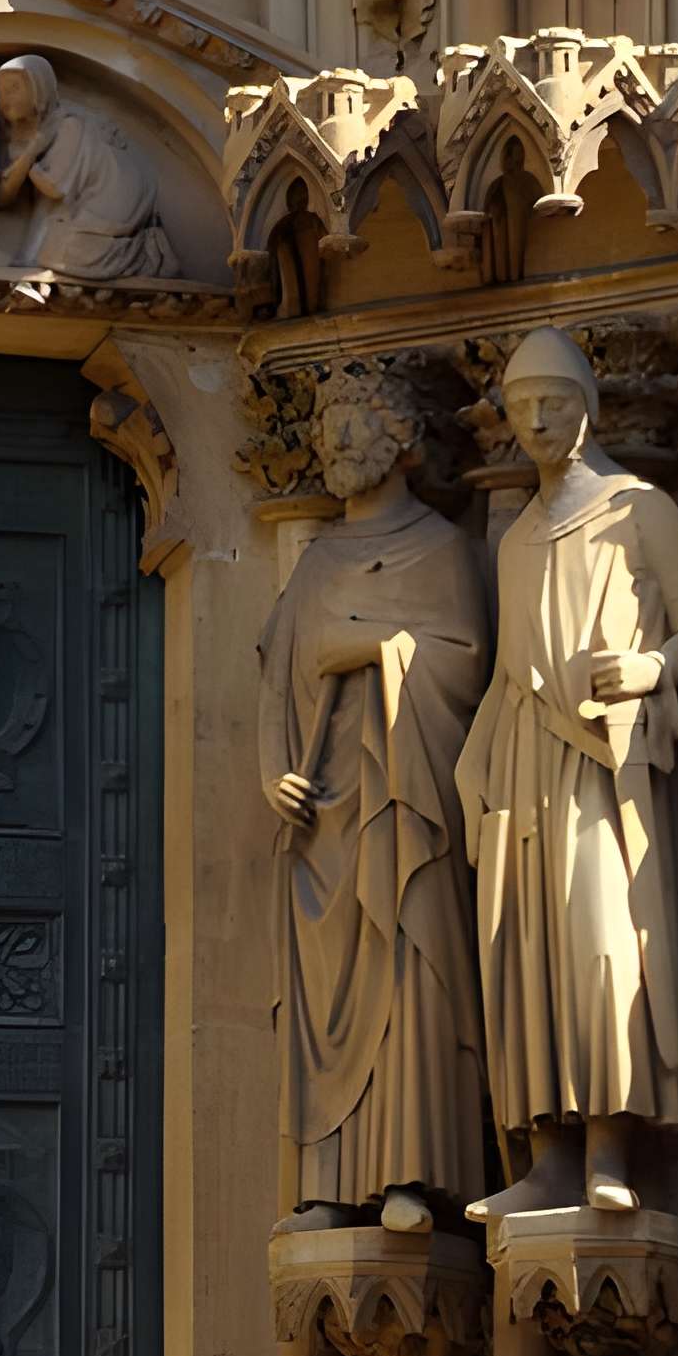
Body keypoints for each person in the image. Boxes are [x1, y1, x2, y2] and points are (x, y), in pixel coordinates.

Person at [458, 328, 678, 1218]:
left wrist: (651, 669)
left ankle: (612, 1143)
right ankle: (550, 1160)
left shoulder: (639, 508)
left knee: (603, 946)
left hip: (605, 764)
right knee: (527, 949)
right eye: (521, 405)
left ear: (589, 407)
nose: (536, 419)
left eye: (554, 401)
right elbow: (501, 663)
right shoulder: (515, 537)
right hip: (525, 761)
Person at [260, 361, 489, 1235]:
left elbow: (463, 662)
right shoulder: (315, 559)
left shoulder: (440, 547)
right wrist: (271, 773)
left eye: (355, 421)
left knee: (409, 975)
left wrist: (376, 645)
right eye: (329, 424)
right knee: (324, 999)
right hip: (323, 814)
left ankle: (410, 1172)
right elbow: (277, 677)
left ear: (403, 440)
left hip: (404, 801)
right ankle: (324, 1185)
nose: (334, 439)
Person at [0, 56, 177, 282]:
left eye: (14, 88)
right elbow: (2, 198)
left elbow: (55, 190)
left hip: (113, 206)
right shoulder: (20, 140)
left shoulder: (68, 125)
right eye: (1, 90)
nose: (6, 97)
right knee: (52, 250)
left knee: (56, 254)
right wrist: (27, 157)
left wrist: (28, 159)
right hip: (79, 210)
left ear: (39, 88)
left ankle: (139, 254)